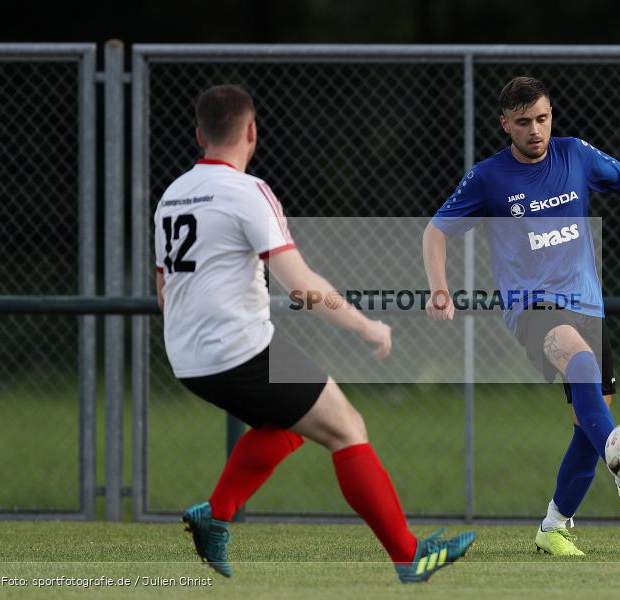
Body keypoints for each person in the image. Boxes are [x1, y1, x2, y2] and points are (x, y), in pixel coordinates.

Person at [154, 84, 475, 581]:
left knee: (289, 426)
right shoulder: (248, 191)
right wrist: (366, 326)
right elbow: (301, 286)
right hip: (239, 350)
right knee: (346, 428)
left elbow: (163, 290)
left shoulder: (171, 196)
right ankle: (409, 556)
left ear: (200, 135)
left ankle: (214, 516)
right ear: (252, 132)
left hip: (186, 356)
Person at [422, 76, 620, 556]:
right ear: (506, 125)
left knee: (589, 419)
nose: (535, 130)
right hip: (531, 306)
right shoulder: (488, 177)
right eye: (523, 123)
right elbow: (436, 231)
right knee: (579, 361)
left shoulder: (575, 154)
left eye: (542, 118)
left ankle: (554, 527)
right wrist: (440, 288)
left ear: (551, 115)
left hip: (587, 304)